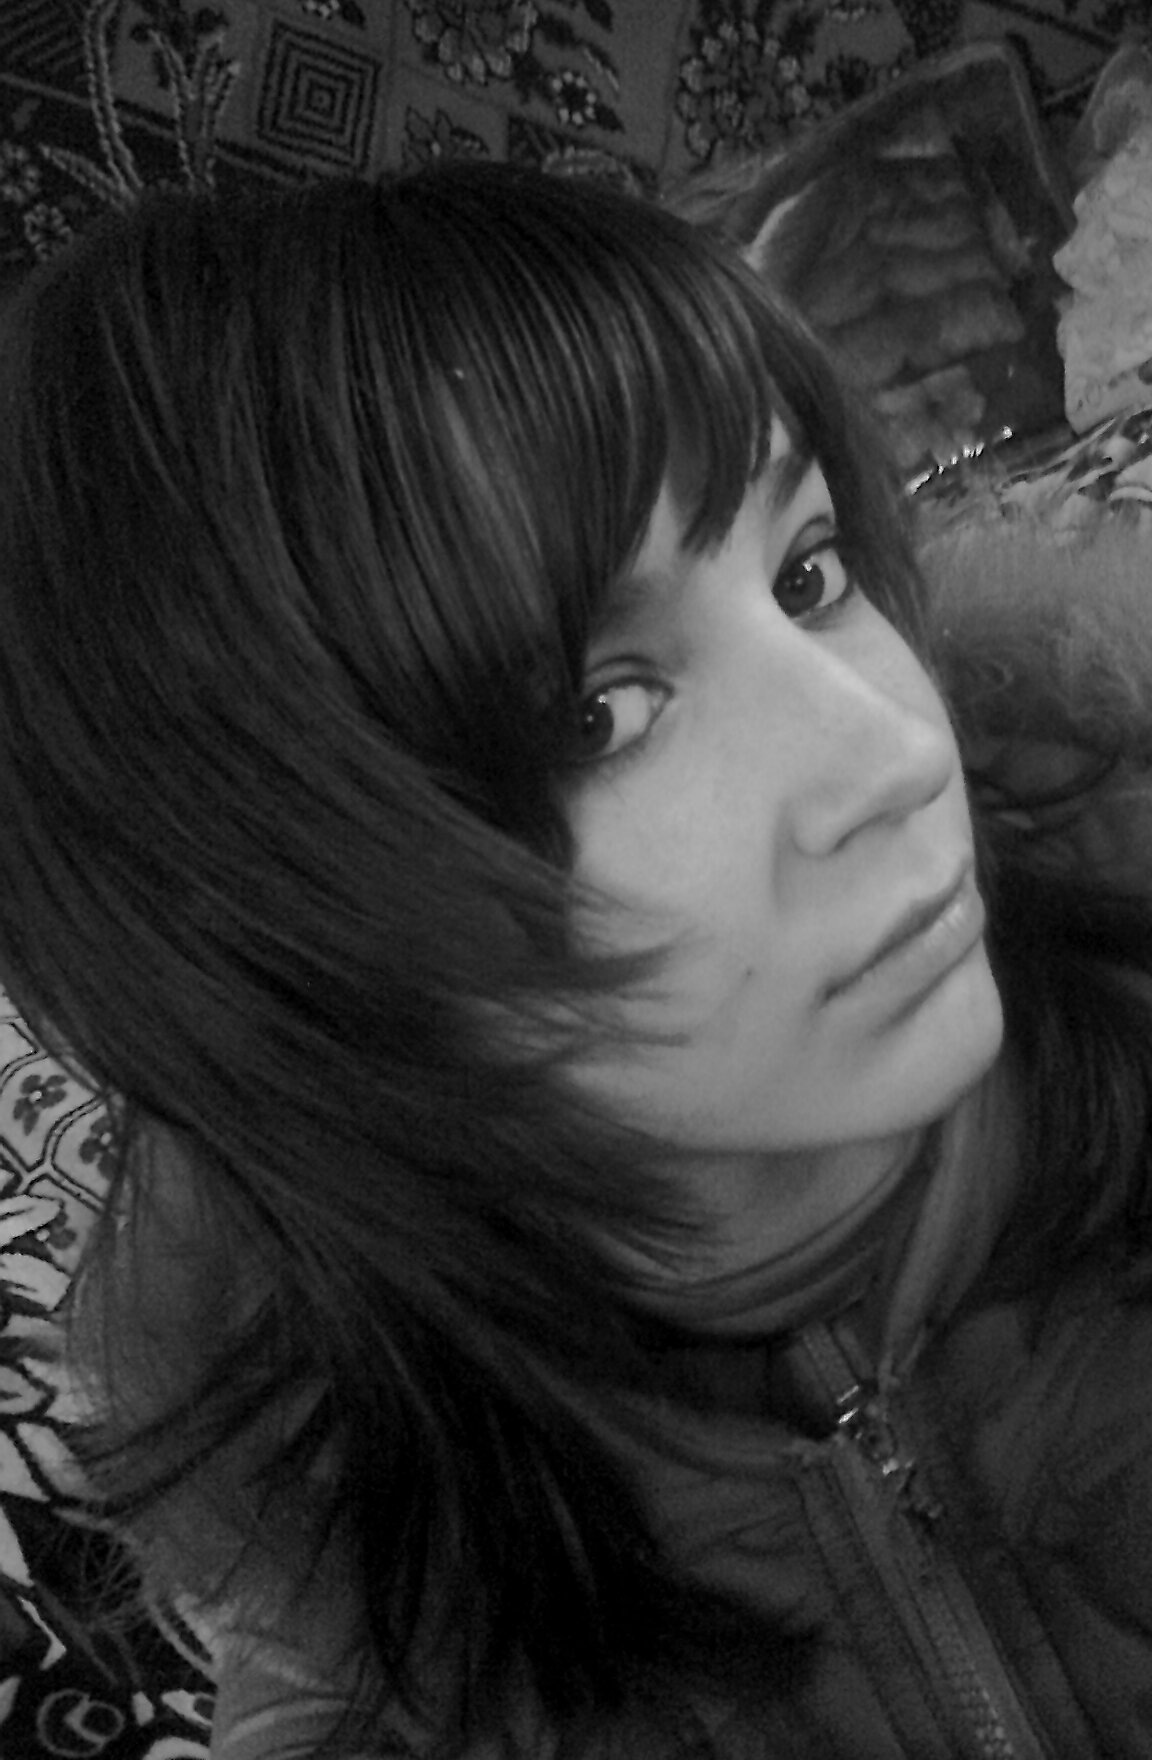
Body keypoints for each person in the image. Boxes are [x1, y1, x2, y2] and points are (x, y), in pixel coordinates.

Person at [0, 160, 1149, 1760]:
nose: (895, 754)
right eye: (598, 715)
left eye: (808, 574)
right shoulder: (368, 1582)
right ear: (281, 935)